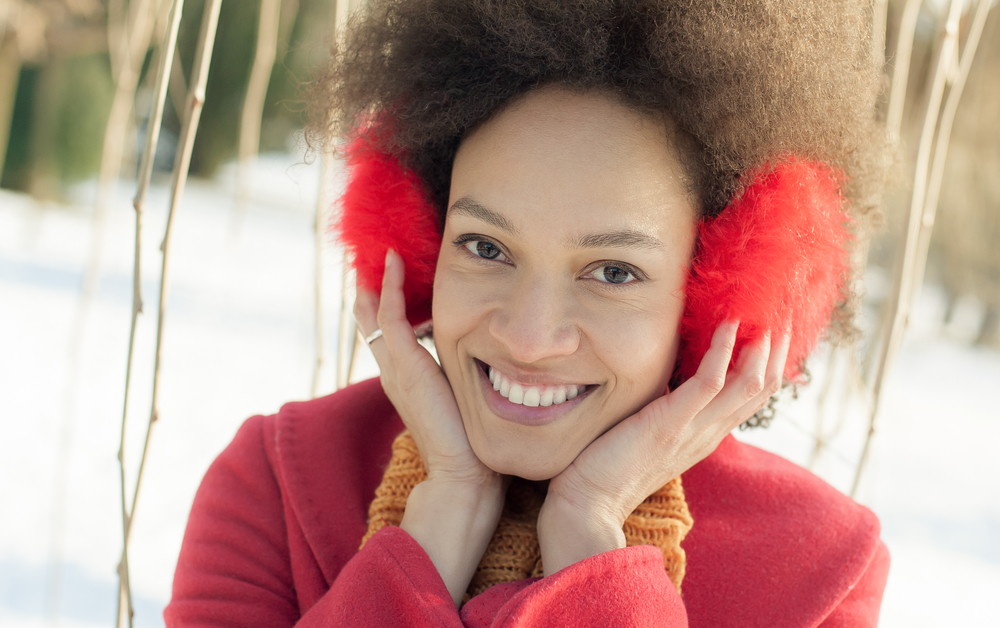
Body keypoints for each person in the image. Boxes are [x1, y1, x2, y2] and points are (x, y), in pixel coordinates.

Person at [165, 1, 890, 626]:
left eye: (613, 272)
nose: (528, 336)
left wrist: (591, 526)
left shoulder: (820, 573)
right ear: (417, 239)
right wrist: (436, 523)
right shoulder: (275, 484)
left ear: (717, 298)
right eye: (485, 246)